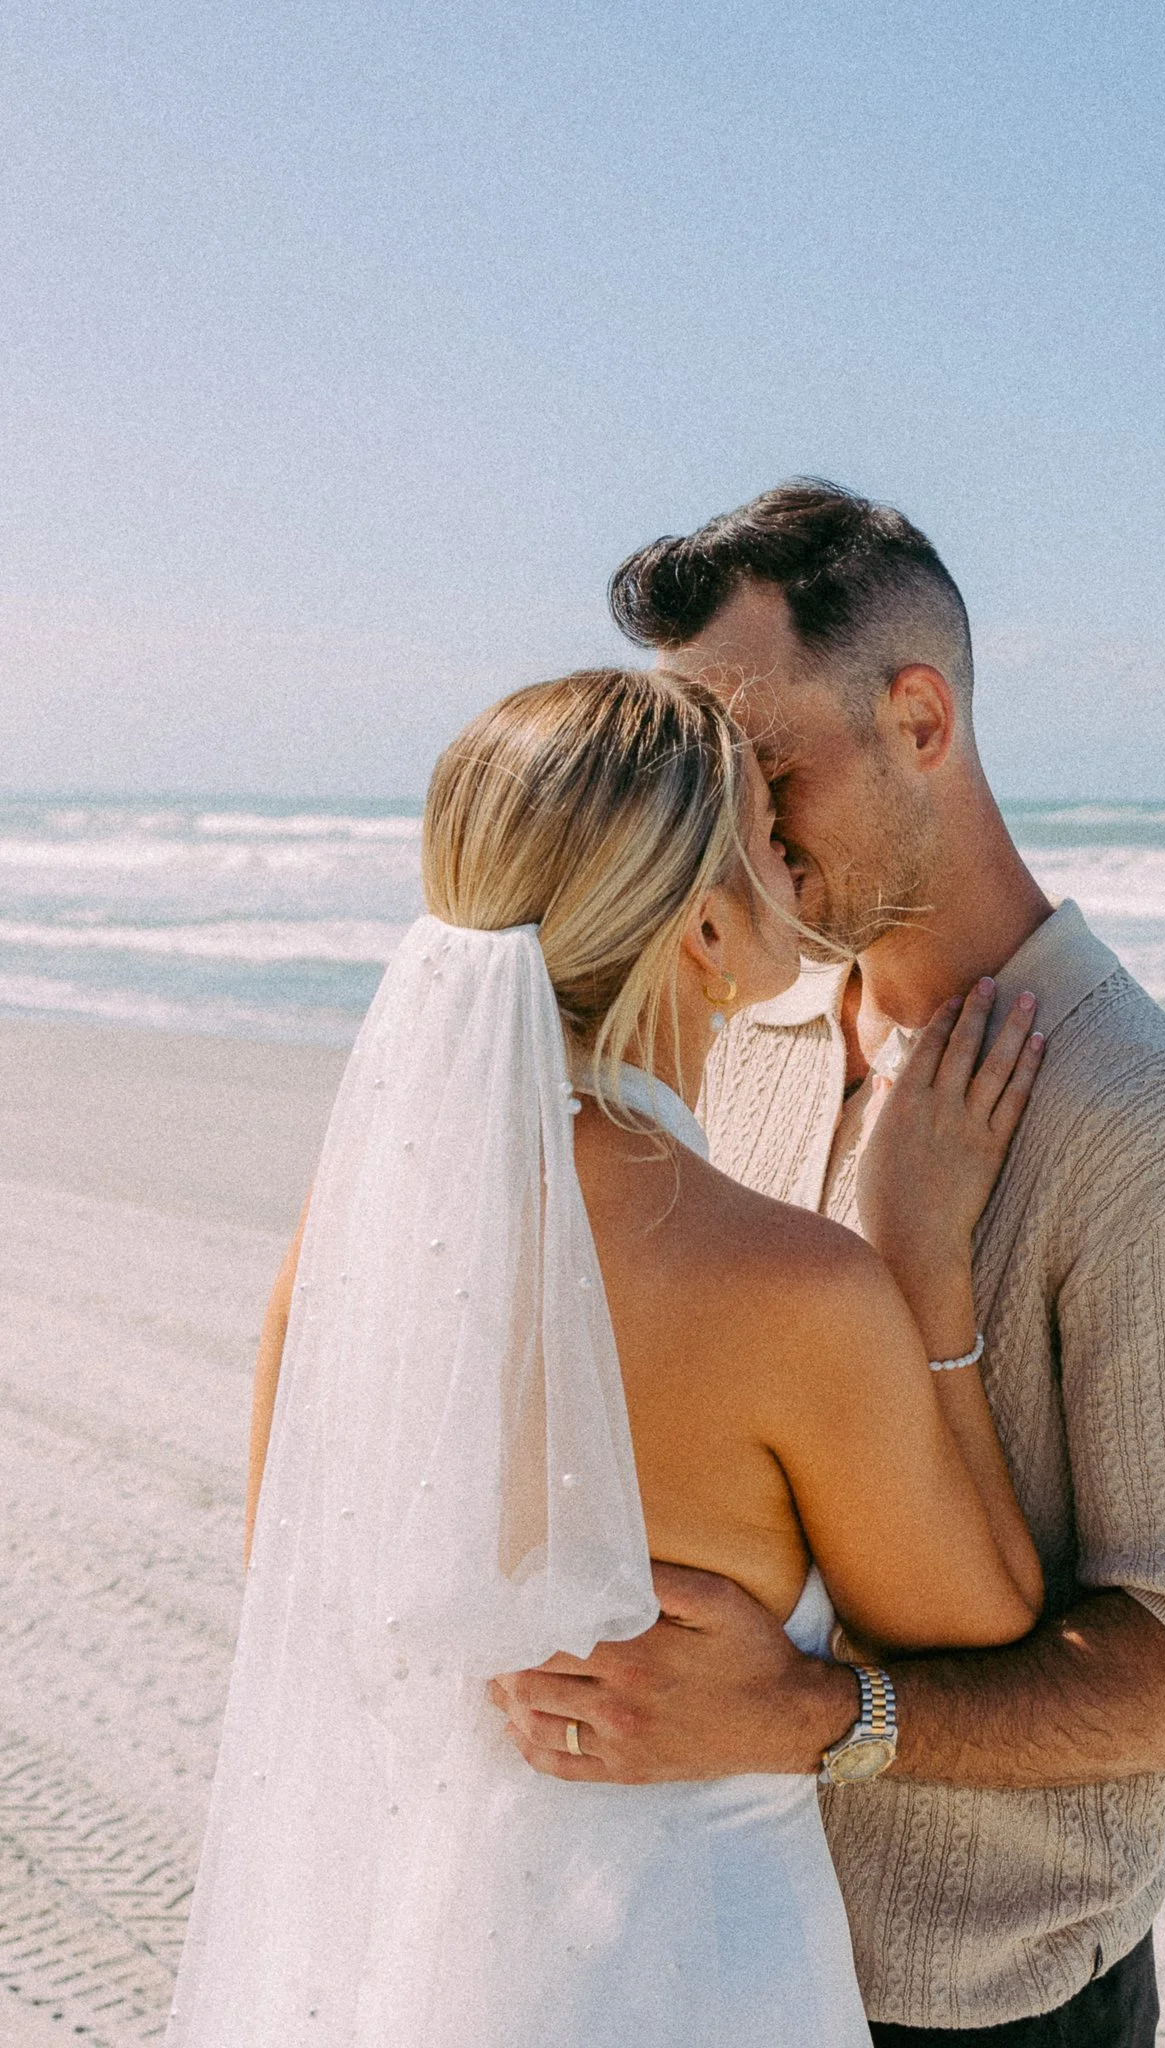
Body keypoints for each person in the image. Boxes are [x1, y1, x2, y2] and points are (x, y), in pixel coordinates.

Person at [491, 484, 1165, 2047]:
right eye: (706, 782)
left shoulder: (1141, 1131)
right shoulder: (741, 1029)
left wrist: (813, 1720)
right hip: (689, 1959)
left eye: (767, 767)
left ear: (917, 716)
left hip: (964, 2001)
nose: (733, 834)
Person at [167, 668, 1048, 2048]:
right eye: (766, 836)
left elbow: (290, 1571)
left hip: (420, 1961)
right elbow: (977, 1615)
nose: (793, 858)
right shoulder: (795, 1288)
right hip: (684, 1973)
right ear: (703, 924)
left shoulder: (352, 1239)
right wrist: (923, 1277)